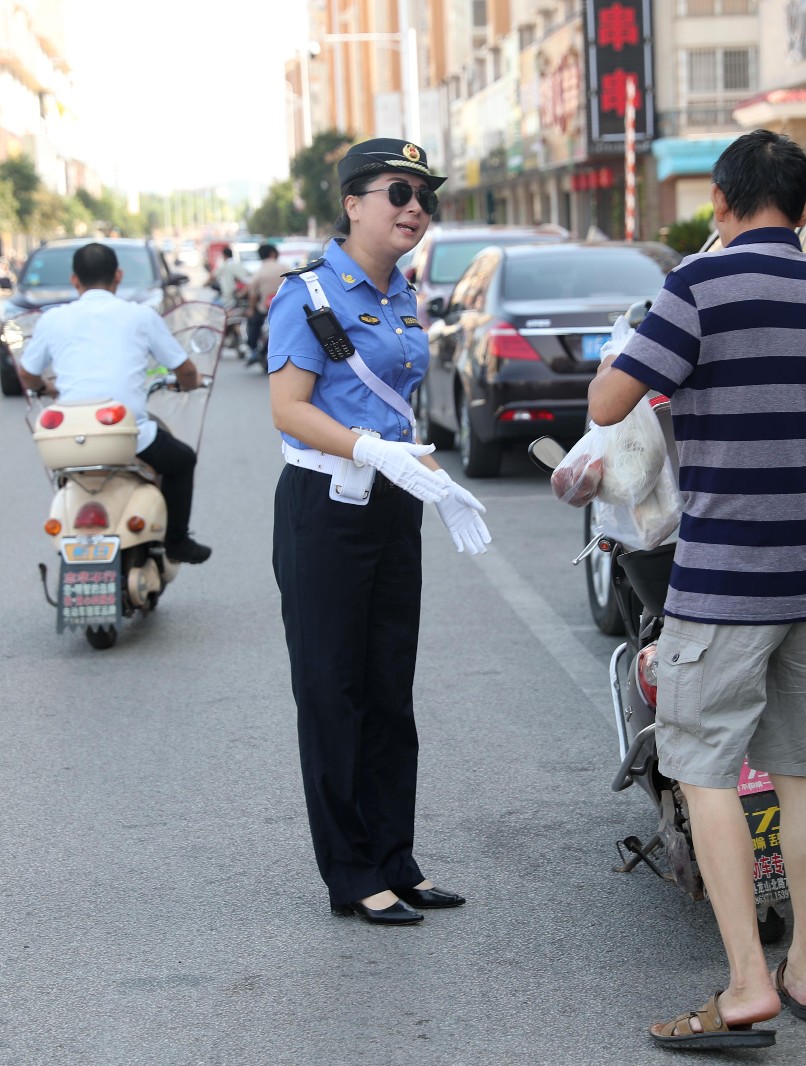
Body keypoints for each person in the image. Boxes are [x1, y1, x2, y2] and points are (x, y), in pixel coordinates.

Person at [587, 129, 806, 1049]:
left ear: (722, 200)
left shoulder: (696, 288)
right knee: (803, 778)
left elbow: (606, 406)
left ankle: (748, 983)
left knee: (705, 770)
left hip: (729, 577)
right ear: (802, 204)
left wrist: (632, 342)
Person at [266, 137, 490, 927]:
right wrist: (370, 450)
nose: (415, 209)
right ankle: (353, 871)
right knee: (334, 692)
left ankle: (397, 858)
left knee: (391, 690)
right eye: (398, 193)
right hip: (326, 509)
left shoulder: (402, 296)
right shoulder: (309, 295)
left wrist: (424, 472)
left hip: (392, 505)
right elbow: (290, 409)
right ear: (352, 202)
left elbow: (394, 405)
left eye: (424, 197)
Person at [15, 242, 213, 566]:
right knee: (182, 461)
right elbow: (186, 370)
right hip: (125, 434)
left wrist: (44, 387)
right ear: (118, 276)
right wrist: (189, 383)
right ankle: (176, 541)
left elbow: (27, 373)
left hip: (67, 438)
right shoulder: (140, 315)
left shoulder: (53, 319)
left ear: (74, 280)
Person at [245, 243, 289, 367]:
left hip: (264, 309)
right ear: (273, 253)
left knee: (253, 325)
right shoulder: (284, 267)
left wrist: (251, 309)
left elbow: (252, 294)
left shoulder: (259, 272)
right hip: (284, 308)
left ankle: (253, 351)